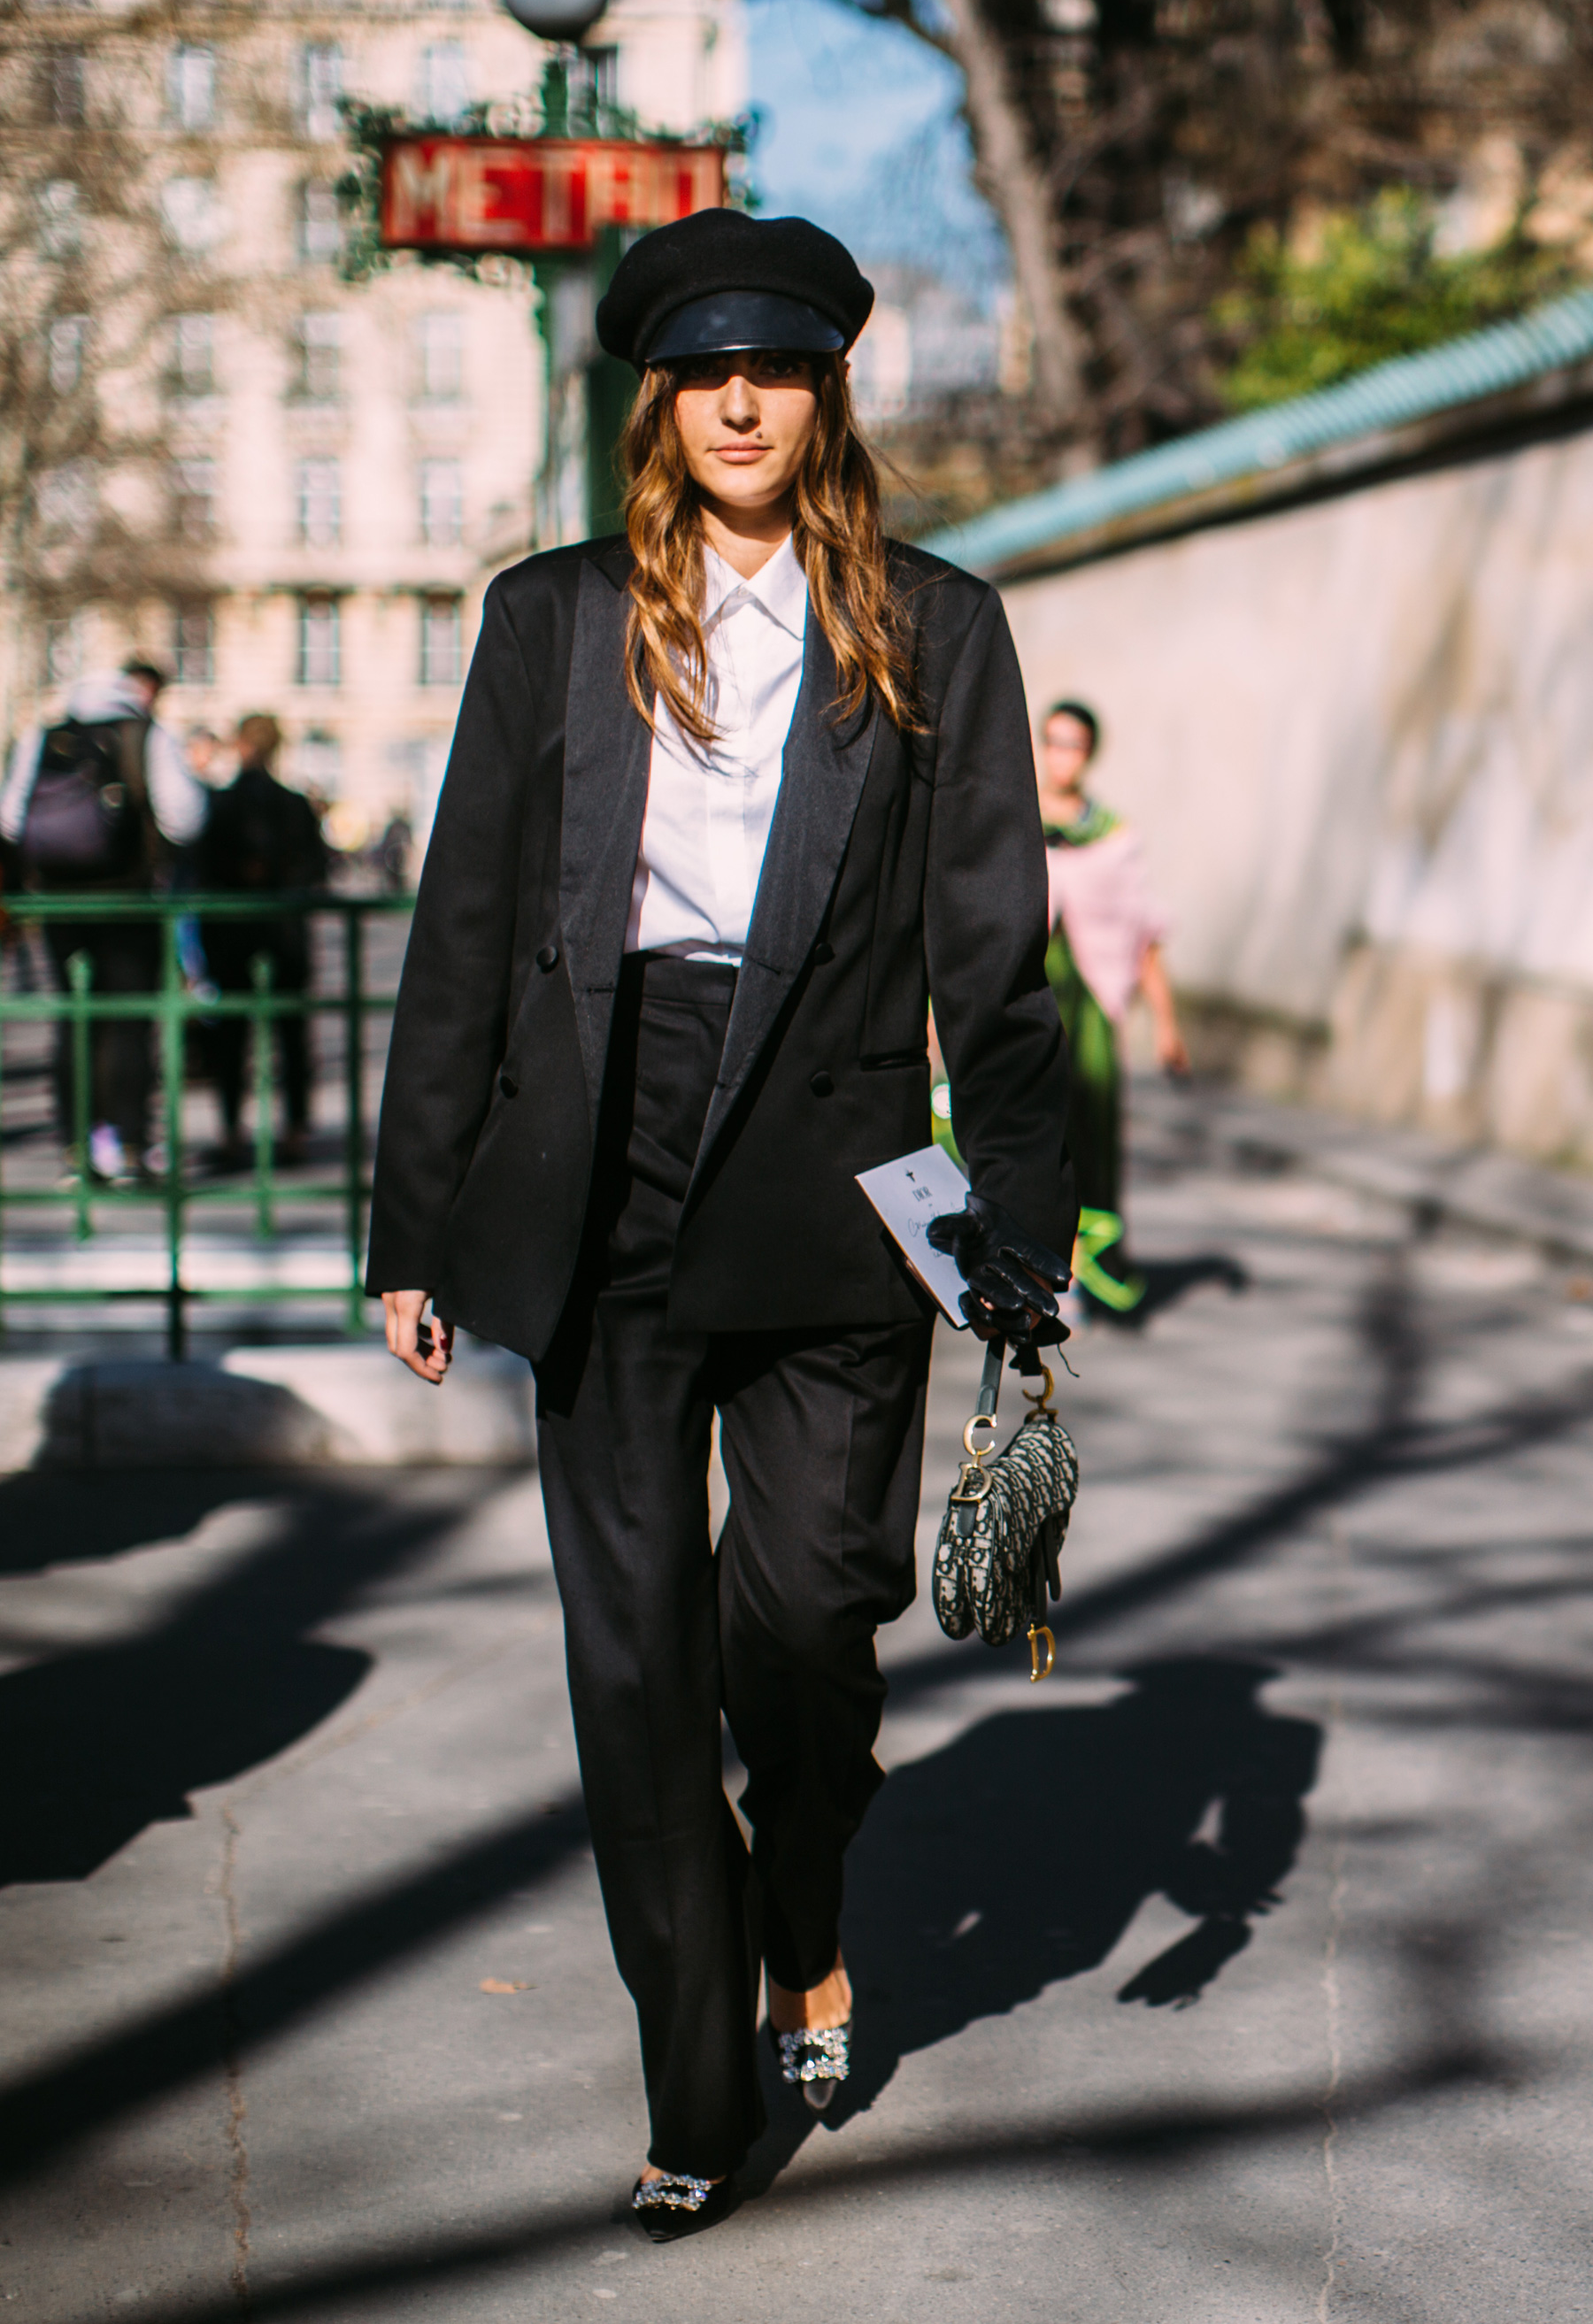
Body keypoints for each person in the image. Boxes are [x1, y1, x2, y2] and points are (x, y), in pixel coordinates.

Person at [366, 211, 1076, 2239]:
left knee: (800, 1617)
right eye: (703, 371)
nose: (742, 398)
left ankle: (809, 1916)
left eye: (776, 366)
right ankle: (698, 2087)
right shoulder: (548, 617)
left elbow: (995, 960)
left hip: (843, 1176)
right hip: (598, 1170)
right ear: (658, 402)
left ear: (824, 390)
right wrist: (416, 1221)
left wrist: (1022, 1228)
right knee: (634, 1653)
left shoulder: (935, 622)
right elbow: (468, 934)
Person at [0, 668, 205, 1183]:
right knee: (131, 1020)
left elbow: (9, 819)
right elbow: (185, 815)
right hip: (128, 898)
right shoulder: (145, 734)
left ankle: (76, 1146)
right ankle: (131, 1145)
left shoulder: (44, 736)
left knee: (75, 1018)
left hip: (59, 902)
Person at [1037, 697, 1188, 1309]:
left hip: (1092, 1009)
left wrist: (1167, 1024)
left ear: (1090, 754)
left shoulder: (1114, 838)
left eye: (1073, 743)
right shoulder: (1011, 819)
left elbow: (1143, 935)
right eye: (1052, 740)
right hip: (1029, 1001)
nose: (1061, 754)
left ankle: (1076, 1270)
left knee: (1087, 1138)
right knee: (1019, 1130)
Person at [198, 712, 328, 1169]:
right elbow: (317, 870)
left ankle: (232, 1132)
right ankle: (294, 1131)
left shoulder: (221, 803)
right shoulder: (293, 804)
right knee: (292, 1036)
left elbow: (203, 871)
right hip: (284, 931)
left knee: (232, 1037)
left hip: (233, 932)